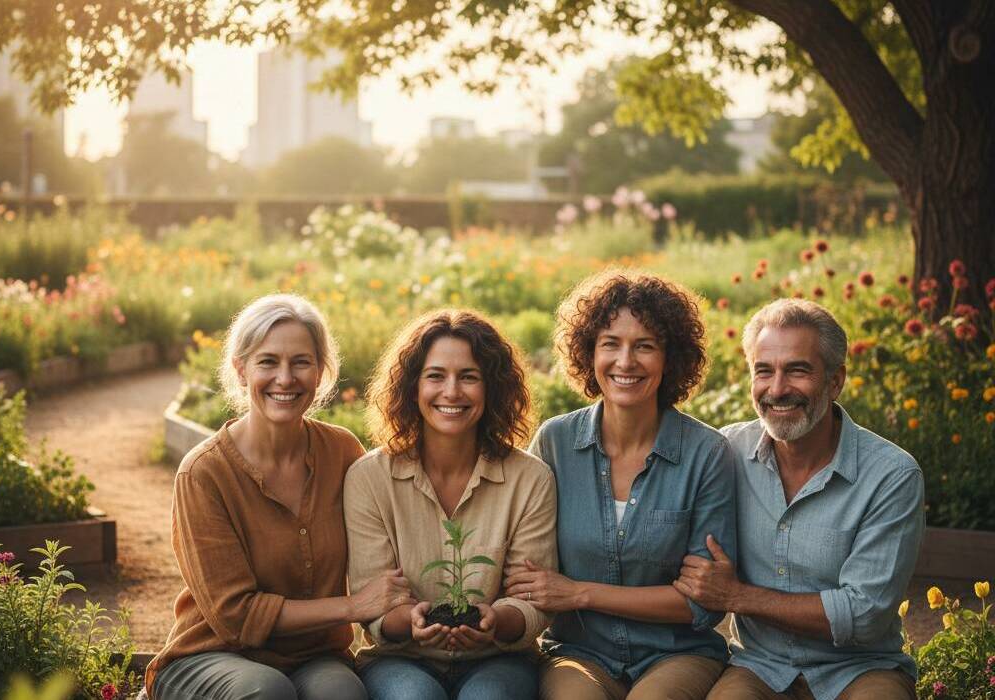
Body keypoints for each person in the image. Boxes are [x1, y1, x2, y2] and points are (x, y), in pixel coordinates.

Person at [146, 294, 413, 700]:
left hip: (314, 655)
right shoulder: (204, 473)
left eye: (301, 362)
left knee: (342, 694)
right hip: (211, 655)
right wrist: (352, 607)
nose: (285, 379)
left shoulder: (341, 452)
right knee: (266, 691)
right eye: (268, 362)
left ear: (320, 371)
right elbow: (236, 616)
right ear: (241, 370)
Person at [675, 298, 923, 700]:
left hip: (861, 669)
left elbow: (862, 615)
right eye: (764, 371)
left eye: (797, 370)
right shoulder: (726, 452)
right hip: (759, 667)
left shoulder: (891, 475)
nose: (777, 389)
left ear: (835, 380)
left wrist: (737, 596)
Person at [506, 270, 736, 700]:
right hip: (578, 651)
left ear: (671, 359)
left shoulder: (707, 453)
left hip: (679, 652)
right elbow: (532, 574)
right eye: (610, 343)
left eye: (644, 346)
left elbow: (701, 602)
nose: (625, 362)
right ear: (588, 354)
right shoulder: (555, 443)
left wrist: (579, 593)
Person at [344, 309, 557, 700]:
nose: (452, 391)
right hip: (401, 658)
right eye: (436, 376)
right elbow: (372, 605)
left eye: (469, 377)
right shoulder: (369, 479)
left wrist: (497, 620)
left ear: (492, 388)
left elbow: (531, 601)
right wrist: (409, 621)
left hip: (501, 659)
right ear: (412, 387)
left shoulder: (530, 479)